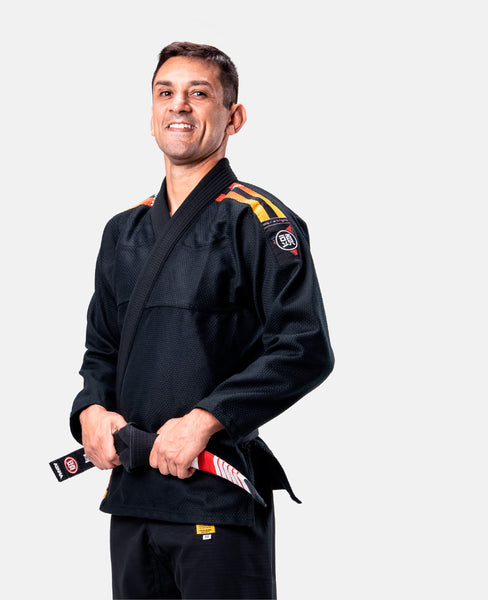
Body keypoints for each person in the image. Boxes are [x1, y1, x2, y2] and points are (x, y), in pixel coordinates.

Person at [69, 41, 334, 599]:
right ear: (151, 115)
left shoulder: (260, 222)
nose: (179, 105)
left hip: (214, 493)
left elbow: (304, 346)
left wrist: (205, 420)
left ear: (234, 118)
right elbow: (102, 348)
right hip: (134, 497)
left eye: (199, 93)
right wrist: (90, 409)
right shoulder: (123, 231)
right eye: (165, 92)